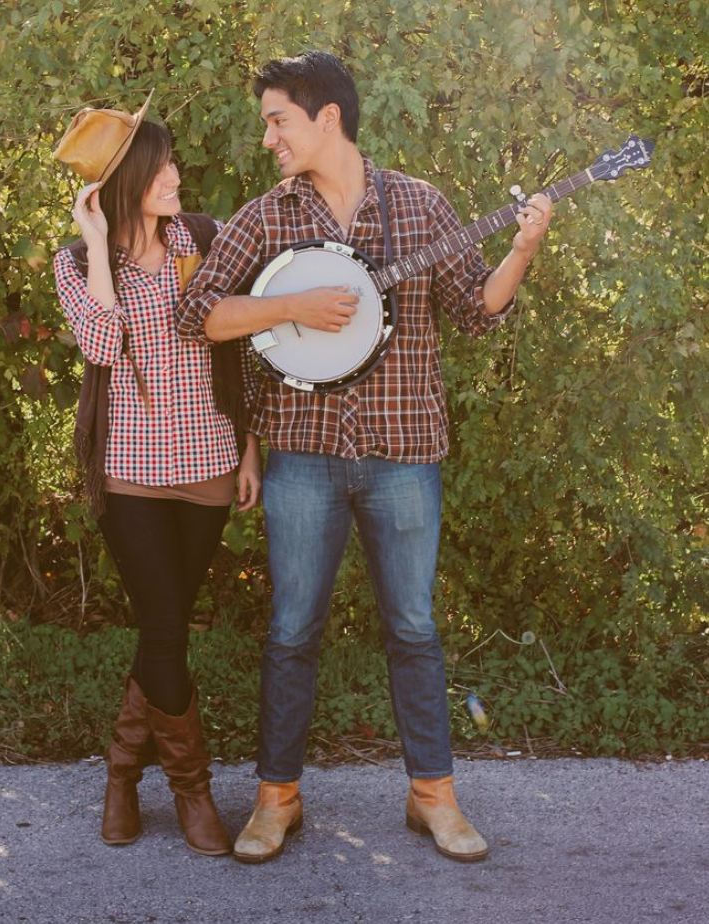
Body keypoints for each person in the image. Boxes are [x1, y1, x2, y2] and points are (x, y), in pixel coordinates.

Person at [176, 51, 553, 864]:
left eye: (278, 118)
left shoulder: (420, 207)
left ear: (327, 119)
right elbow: (198, 313)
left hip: (404, 452)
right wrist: (291, 306)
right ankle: (277, 801)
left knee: (413, 628)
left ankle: (433, 799)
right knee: (289, 631)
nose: (268, 136)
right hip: (303, 456)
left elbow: (476, 311)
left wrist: (522, 248)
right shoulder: (269, 217)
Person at [52, 92, 261, 856]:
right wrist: (99, 242)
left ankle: (120, 774)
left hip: (208, 461)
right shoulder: (75, 261)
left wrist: (250, 446)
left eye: (172, 160)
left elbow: (238, 347)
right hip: (132, 472)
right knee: (165, 625)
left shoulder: (201, 238)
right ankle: (192, 791)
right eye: (162, 163)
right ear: (128, 177)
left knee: (164, 629)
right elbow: (105, 348)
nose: (175, 172)